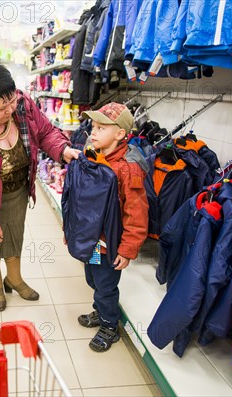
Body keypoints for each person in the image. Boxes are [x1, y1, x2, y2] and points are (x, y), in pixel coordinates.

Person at [0, 63, 81, 311]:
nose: (10, 109)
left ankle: (15, 278)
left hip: (15, 189)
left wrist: (62, 149)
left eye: (11, 101)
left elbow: (44, 131)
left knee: (14, 236)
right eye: (1, 108)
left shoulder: (21, 104)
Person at [76, 103, 149, 352]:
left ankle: (110, 325)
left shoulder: (128, 168)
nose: (93, 132)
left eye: (101, 128)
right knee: (92, 279)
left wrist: (128, 249)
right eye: (93, 127)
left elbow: (136, 213)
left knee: (106, 285)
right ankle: (101, 311)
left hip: (110, 243)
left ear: (120, 134)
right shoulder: (92, 156)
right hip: (90, 240)